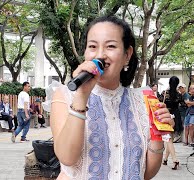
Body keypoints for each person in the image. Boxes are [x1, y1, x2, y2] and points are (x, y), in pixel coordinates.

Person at [49, 16, 175, 179]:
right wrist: (81, 96)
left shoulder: (143, 100)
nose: (100, 55)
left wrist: (158, 133)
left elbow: (145, 173)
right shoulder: (65, 95)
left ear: (127, 54)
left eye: (110, 46)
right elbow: (67, 157)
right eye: (93, 46)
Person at [159, 76, 182, 170]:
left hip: (167, 116)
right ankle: (165, 159)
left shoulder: (164, 93)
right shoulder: (179, 94)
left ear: (169, 82)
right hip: (176, 116)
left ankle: (175, 160)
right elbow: (182, 104)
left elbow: (159, 103)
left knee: (168, 139)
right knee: (170, 139)